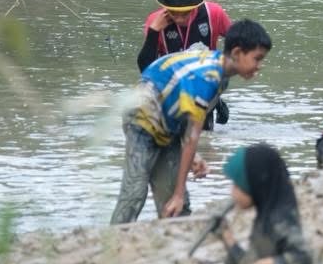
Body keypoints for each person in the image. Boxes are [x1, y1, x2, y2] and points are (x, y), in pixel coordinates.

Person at [110, 19, 271, 224]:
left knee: (178, 203)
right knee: (135, 191)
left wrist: (188, 165)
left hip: (168, 124)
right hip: (142, 118)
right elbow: (192, 135)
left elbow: (187, 119)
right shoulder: (206, 77)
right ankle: (114, 238)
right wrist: (180, 184)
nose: (259, 66)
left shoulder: (221, 75)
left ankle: (174, 238)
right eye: (257, 59)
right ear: (238, 53)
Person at [210, 144, 311, 264]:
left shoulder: (280, 220)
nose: (232, 192)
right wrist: (227, 237)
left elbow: (302, 257)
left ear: (256, 184)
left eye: (237, 185)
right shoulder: (265, 218)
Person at [137, 0, 232, 72]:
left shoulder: (214, 13)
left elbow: (237, 42)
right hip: (172, 80)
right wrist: (153, 32)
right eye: (173, 13)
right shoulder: (154, 21)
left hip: (207, 77)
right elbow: (145, 69)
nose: (179, 19)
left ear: (194, 7)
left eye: (185, 13)